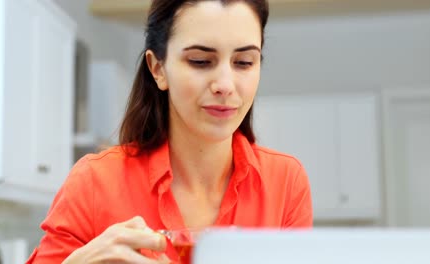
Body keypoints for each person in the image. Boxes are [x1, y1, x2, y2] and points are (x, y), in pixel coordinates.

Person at [27, 0, 312, 263]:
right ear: (158, 68)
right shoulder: (93, 181)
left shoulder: (286, 182)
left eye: (244, 62)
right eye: (201, 61)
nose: (225, 84)